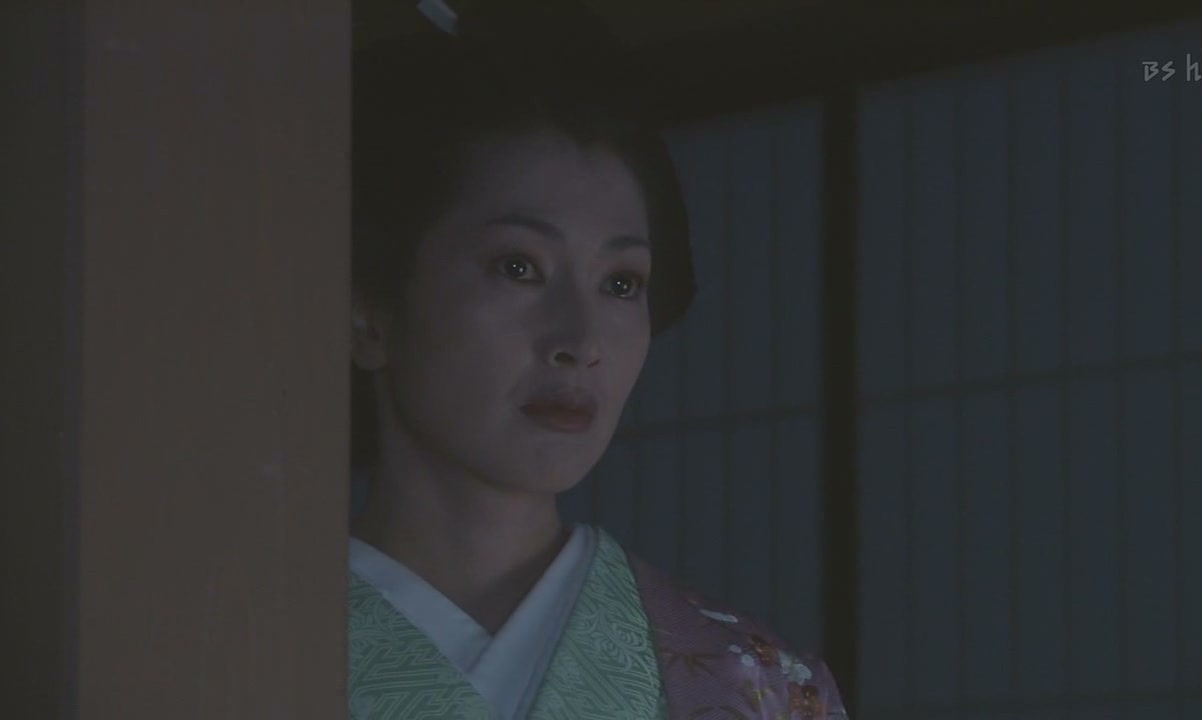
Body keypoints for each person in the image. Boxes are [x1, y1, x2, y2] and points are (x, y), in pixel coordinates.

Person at [347, 1, 849, 717]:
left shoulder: (756, 687)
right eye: (518, 267)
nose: (580, 342)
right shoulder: (227, 639)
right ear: (369, 313)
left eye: (621, 284)